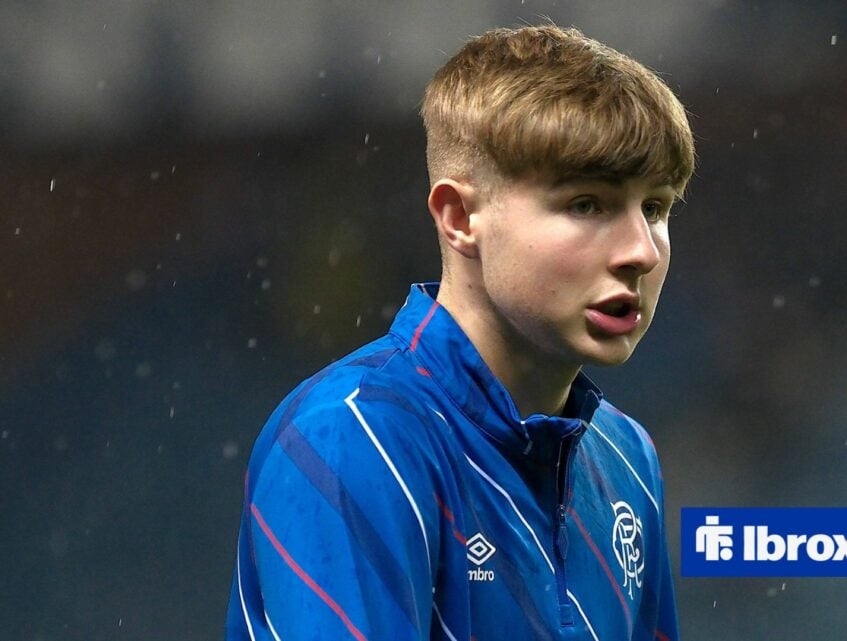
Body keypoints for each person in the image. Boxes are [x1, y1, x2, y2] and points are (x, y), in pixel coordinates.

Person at [225, 24, 695, 641]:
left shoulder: (628, 459)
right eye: (588, 204)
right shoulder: (350, 438)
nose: (641, 250)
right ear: (460, 217)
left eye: (656, 208)